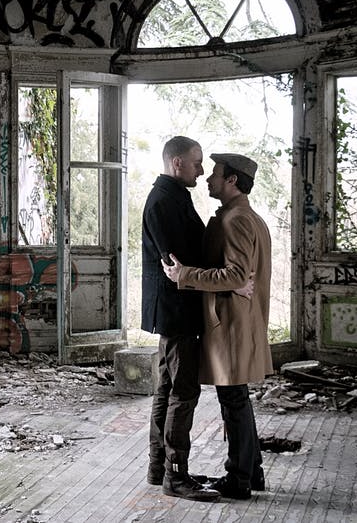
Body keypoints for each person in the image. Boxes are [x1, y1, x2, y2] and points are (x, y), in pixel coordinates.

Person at [163, 152, 273, 500]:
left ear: (233, 181)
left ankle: (238, 479)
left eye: (215, 174)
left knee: (233, 400)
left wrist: (185, 275)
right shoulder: (242, 215)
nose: (208, 179)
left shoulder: (237, 219)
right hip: (237, 321)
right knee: (237, 398)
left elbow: (237, 275)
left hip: (231, 324)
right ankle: (250, 473)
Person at [139, 136, 219, 502]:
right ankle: (176, 475)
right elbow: (177, 263)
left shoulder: (172, 196)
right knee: (182, 393)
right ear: (177, 164)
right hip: (177, 310)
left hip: (175, 310)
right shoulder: (164, 200)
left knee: (167, 389)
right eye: (197, 162)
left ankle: (160, 469)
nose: (202, 170)